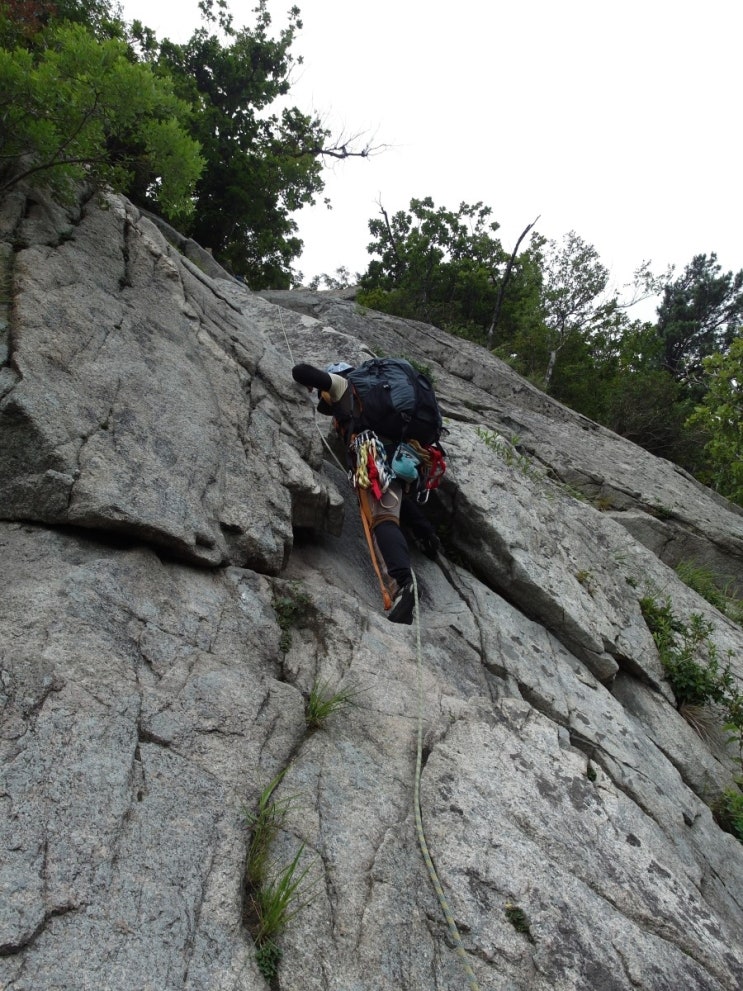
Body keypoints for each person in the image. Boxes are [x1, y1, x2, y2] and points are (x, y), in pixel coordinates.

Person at [292, 361, 440, 624]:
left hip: (374, 457)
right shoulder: (379, 402)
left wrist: (313, 381)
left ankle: (404, 584)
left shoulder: (344, 384)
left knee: (382, 517)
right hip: (400, 457)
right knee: (393, 498)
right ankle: (426, 532)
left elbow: (300, 371)